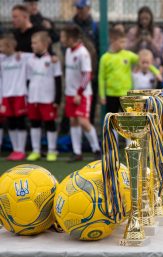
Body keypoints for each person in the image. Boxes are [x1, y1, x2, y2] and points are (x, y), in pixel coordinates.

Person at [60, 25, 101, 162]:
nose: (61, 39)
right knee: (73, 121)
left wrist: (79, 93)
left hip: (82, 94)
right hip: (70, 93)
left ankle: (96, 149)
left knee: (83, 121)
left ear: (71, 38)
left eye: (63, 37)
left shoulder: (83, 53)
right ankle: (77, 152)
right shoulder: (68, 51)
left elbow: (86, 75)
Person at [99, 29, 161, 114]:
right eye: (121, 42)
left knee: (129, 118)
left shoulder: (128, 55)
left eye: (125, 42)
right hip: (111, 94)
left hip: (126, 93)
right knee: (112, 118)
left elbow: (143, 60)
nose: (124, 44)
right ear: (112, 40)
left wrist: (156, 72)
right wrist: (102, 95)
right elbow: (101, 78)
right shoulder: (105, 58)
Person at [26, 32, 62, 162]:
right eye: (32, 43)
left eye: (35, 43)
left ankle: (52, 150)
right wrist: (28, 96)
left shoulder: (53, 60)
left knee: (49, 124)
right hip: (33, 98)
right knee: (34, 124)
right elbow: (28, 80)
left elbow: (58, 80)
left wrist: (57, 99)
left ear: (45, 44)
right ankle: (36, 150)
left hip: (48, 98)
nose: (32, 45)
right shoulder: (30, 60)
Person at [0, 34, 30, 161]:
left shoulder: (22, 57)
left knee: (20, 122)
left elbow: (39, 56)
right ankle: (15, 149)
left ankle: (21, 150)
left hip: (19, 94)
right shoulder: (1, 59)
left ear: (10, 46)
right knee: (10, 122)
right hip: (6, 95)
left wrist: (54, 57)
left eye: (2, 46)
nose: (0, 48)